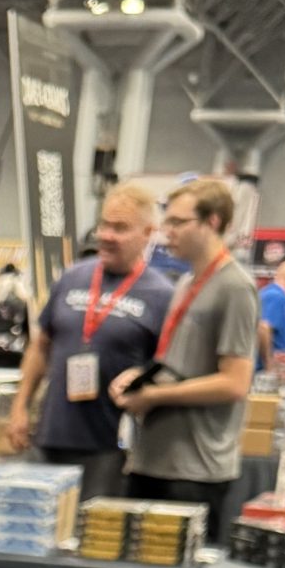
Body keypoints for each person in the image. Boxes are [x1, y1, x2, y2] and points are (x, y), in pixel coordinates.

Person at [110, 175, 258, 547]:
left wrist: (155, 397)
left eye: (178, 222)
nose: (167, 232)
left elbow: (235, 383)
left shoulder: (235, 287)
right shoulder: (185, 283)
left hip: (195, 470)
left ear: (212, 222)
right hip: (154, 458)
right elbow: (177, 363)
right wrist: (140, 378)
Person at [6, 181, 171, 498]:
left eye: (120, 228)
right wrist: (19, 407)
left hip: (109, 447)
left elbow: (164, 369)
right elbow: (40, 346)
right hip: (50, 437)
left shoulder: (162, 294)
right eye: (104, 225)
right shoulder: (73, 277)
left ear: (147, 233)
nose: (107, 235)